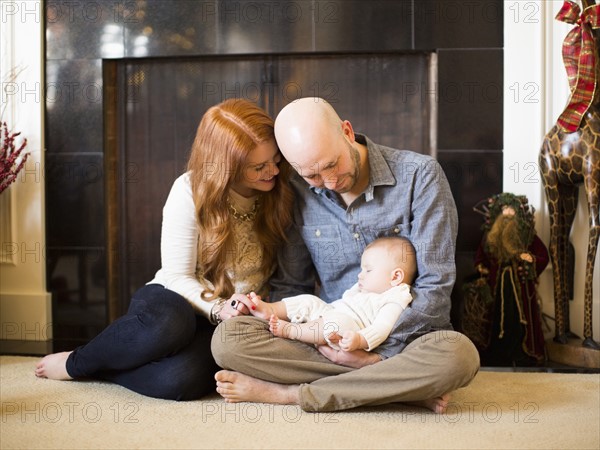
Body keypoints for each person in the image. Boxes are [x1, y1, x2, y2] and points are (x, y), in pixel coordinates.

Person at [211, 97, 480, 413]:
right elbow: (291, 285)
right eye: (312, 175)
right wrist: (272, 317)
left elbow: (435, 286)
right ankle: (396, 388)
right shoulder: (297, 194)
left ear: (347, 132)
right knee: (228, 339)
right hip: (325, 338)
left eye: (331, 164)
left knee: (458, 356)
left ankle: (293, 394)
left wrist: (376, 356)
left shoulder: (420, 176)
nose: (330, 182)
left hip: (405, 340)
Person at [35, 98, 293, 400]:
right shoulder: (189, 191)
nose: (273, 171)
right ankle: (75, 362)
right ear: (227, 167)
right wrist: (217, 308)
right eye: (258, 166)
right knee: (171, 323)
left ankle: (103, 367)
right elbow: (176, 276)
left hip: (233, 321)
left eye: (275, 159)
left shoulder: (283, 194)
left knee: (181, 381)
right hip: (175, 301)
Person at [247, 236, 416, 352]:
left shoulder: (395, 298)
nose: (360, 275)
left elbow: (381, 328)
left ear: (395, 277)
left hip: (348, 330)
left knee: (338, 323)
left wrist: (359, 340)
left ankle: (292, 331)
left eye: (368, 270)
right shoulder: (363, 289)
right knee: (310, 300)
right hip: (330, 311)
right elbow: (342, 301)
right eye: (361, 269)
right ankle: (270, 309)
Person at [473, 193, 549, 366]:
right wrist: (481, 268)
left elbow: (543, 255)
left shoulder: (526, 235)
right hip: (498, 284)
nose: (507, 213)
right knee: (498, 315)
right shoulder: (491, 237)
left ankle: (520, 351)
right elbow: (480, 257)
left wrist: (529, 258)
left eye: (511, 209)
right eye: (504, 209)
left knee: (519, 316)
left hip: (520, 286)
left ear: (517, 212)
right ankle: (499, 352)